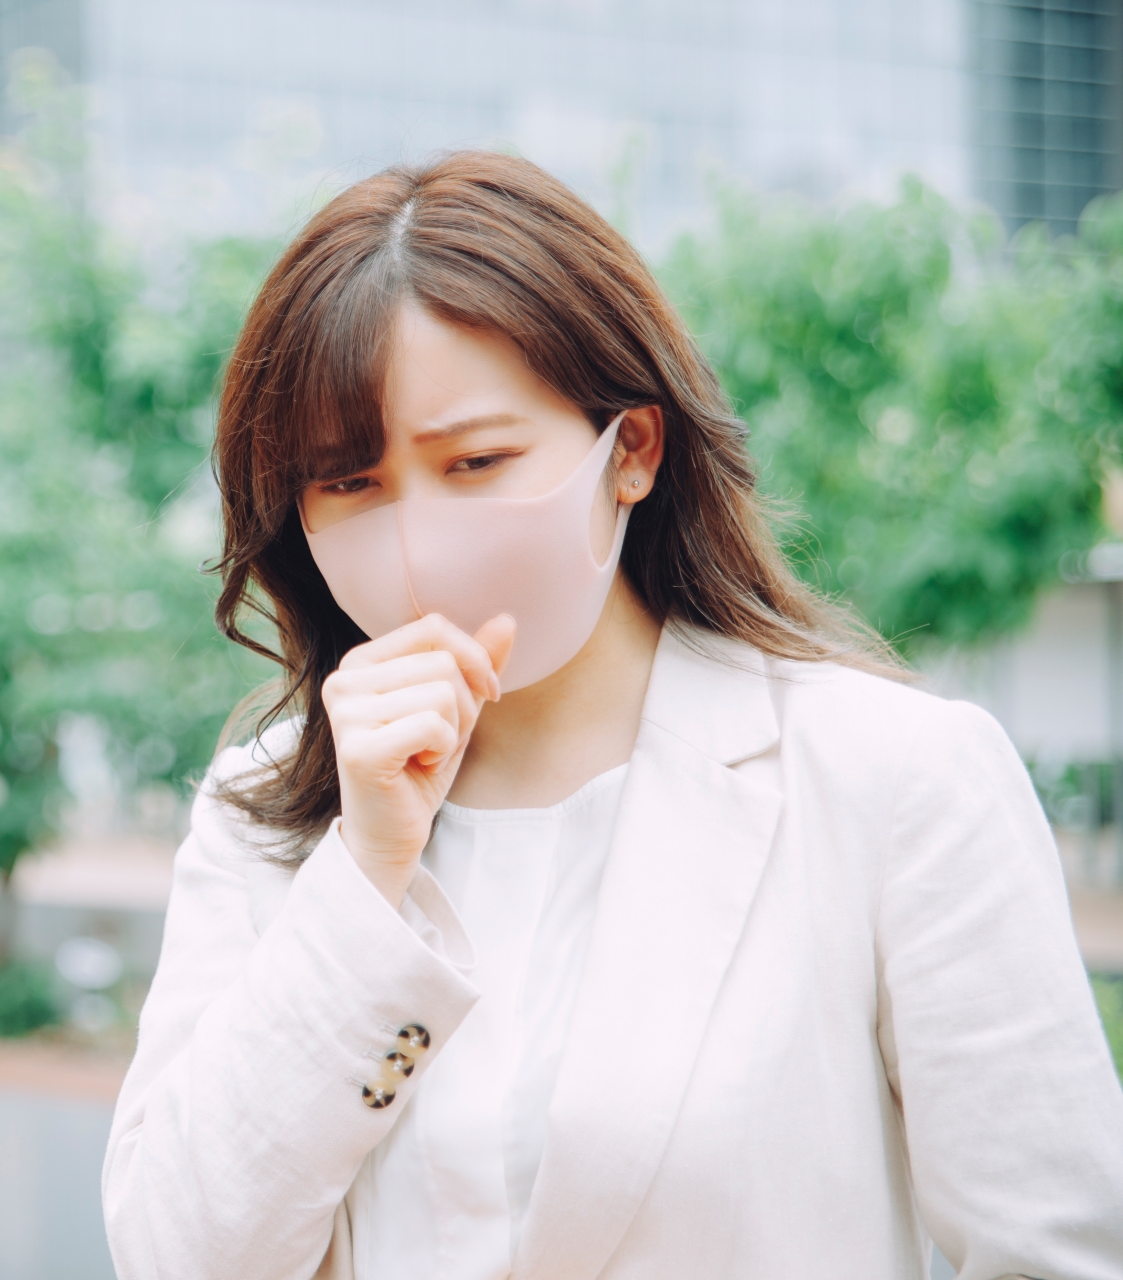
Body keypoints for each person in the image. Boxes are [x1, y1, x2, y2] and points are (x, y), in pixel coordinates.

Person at [101, 152, 1123, 1280]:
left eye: (476, 461)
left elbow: (1055, 1250)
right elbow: (177, 1255)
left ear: (630, 450)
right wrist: (363, 874)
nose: (417, 537)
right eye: (350, 483)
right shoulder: (267, 813)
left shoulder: (890, 776)